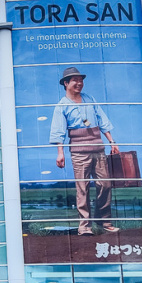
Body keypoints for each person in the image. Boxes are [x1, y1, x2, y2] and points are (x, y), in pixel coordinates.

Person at [50, 66, 120, 236]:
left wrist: (112, 142)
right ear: (66, 83)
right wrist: (60, 152)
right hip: (78, 151)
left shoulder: (90, 99)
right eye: (75, 80)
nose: (79, 83)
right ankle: (84, 226)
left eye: (81, 80)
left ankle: (104, 220)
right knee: (83, 187)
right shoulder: (62, 106)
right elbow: (59, 130)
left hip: (98, 147)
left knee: (105, 184)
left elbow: (103, 120)